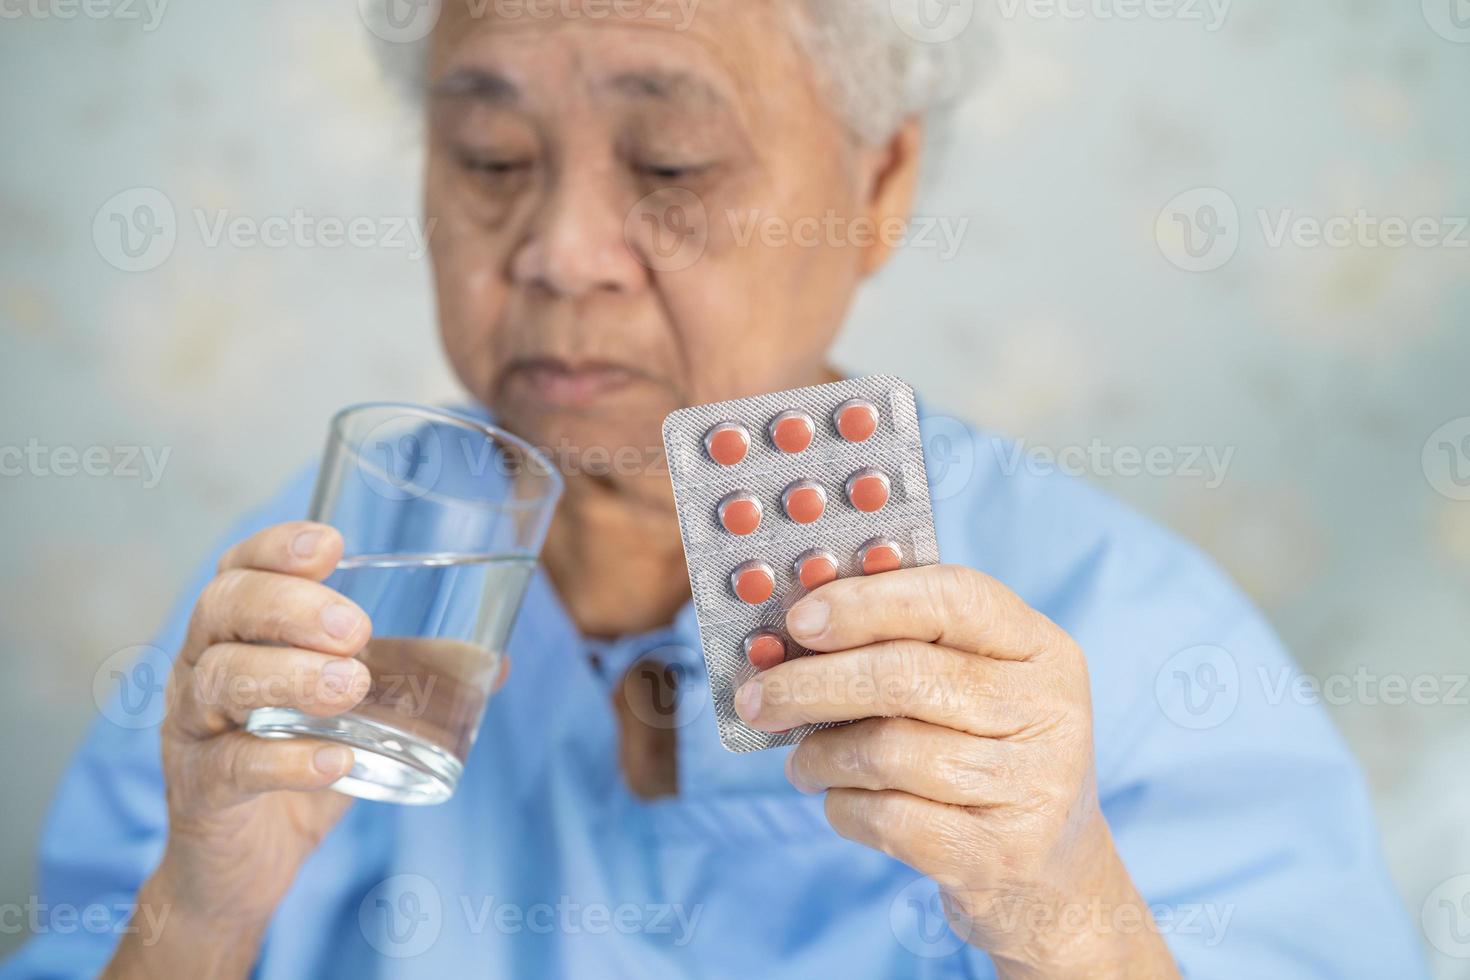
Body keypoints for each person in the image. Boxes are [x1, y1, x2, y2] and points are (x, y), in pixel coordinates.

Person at [2, 1, 1424, 977]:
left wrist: (1066, 914)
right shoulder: (307, 597)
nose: (560, 250)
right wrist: (195, 916)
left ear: (876, 187)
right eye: (490, 158)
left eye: (669, 162)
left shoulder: (1121, 628)